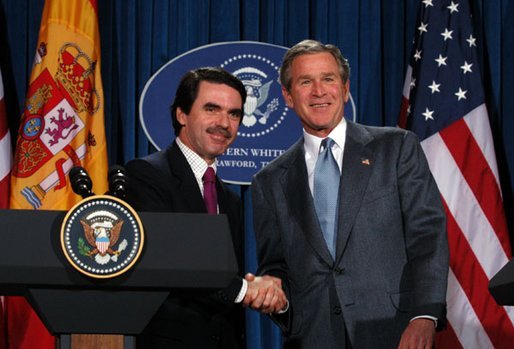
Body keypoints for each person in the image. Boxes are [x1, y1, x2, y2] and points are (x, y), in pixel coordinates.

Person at [251, 40, 449, 348]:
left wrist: (425, 315)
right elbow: (275, 264)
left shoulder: (396, 148)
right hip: (313, 336)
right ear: (288, 97)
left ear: (345, 89)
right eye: (306, 82)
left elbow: (427, 236)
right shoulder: (270, 180)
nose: (319, 91)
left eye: (328, 79)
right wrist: (273, 289)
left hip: (395, 331)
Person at [125, 67, 287, 348]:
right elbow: (170, 260)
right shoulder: (146, 175)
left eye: (234, 113)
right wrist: (246, 290)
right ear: (182, 115)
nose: (224, 123)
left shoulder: (229, 198)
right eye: (212, 109)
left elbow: (220, 277)